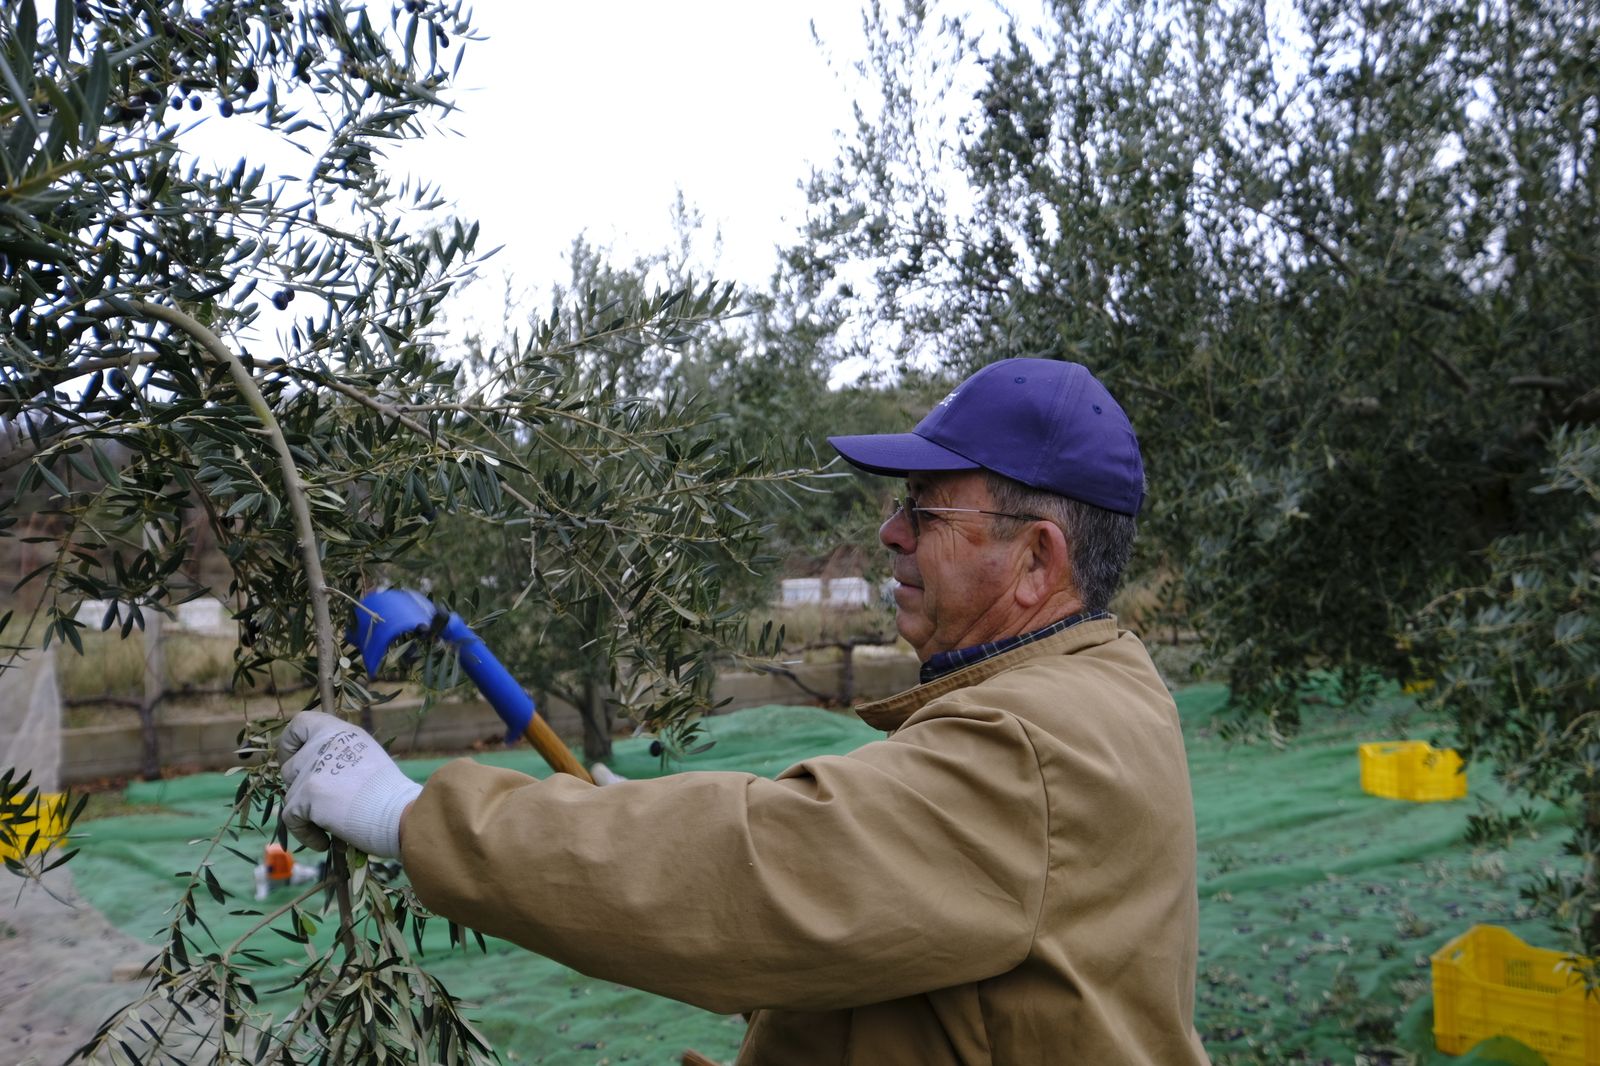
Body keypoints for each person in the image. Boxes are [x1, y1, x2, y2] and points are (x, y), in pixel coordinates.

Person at [280, 357, 1210, 1065]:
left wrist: (402, 814)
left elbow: (772, 877)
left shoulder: (1031, 748)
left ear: (1038, 560)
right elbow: (888, 922)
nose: (890, 532)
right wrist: (625, 818)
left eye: (926, 510)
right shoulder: (1098, 686)